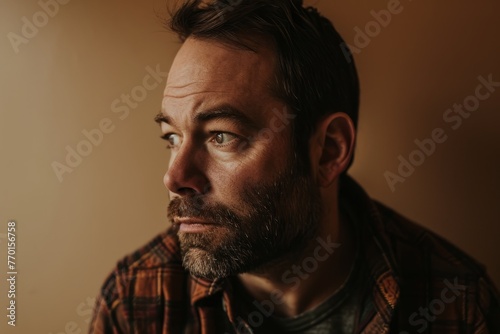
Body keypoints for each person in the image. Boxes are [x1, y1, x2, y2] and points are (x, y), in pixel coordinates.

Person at [89, 0, 500, 333]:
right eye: (172, 138)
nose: (175, 178)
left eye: (221, 136)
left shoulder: (456, 304)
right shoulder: (137, 301)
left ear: (327, 151)